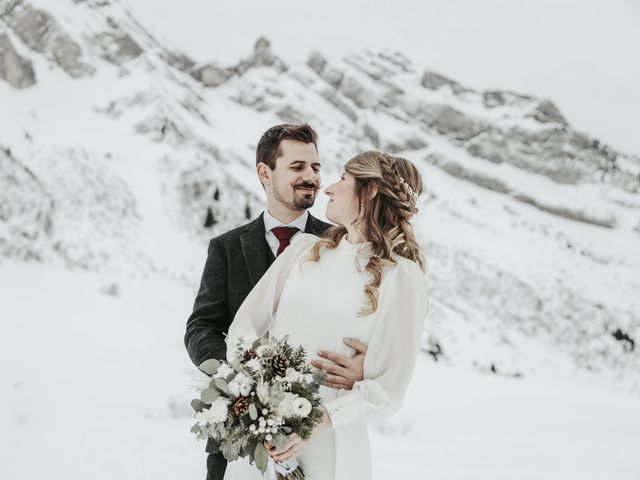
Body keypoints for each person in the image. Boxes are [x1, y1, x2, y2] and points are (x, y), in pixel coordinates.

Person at [224, 150, 428, 480]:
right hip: (260, 435)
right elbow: (244, 326)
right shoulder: (303, 250)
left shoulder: (401, 277)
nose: (328, 188)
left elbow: (388, 390)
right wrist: (256, 389)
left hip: (330, 446)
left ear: (370, 190)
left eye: (344, 179)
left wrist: (321, 418)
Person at [184, 124, 368, 480]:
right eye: (298, 167)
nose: (312, 177)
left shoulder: (342, 245)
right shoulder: (226, 247)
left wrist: (366, 367)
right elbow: (201, 327)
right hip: (238, 435)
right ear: (264, 172)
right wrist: (238, 380)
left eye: (316, 167)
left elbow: (371, 321)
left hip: (316, 435)